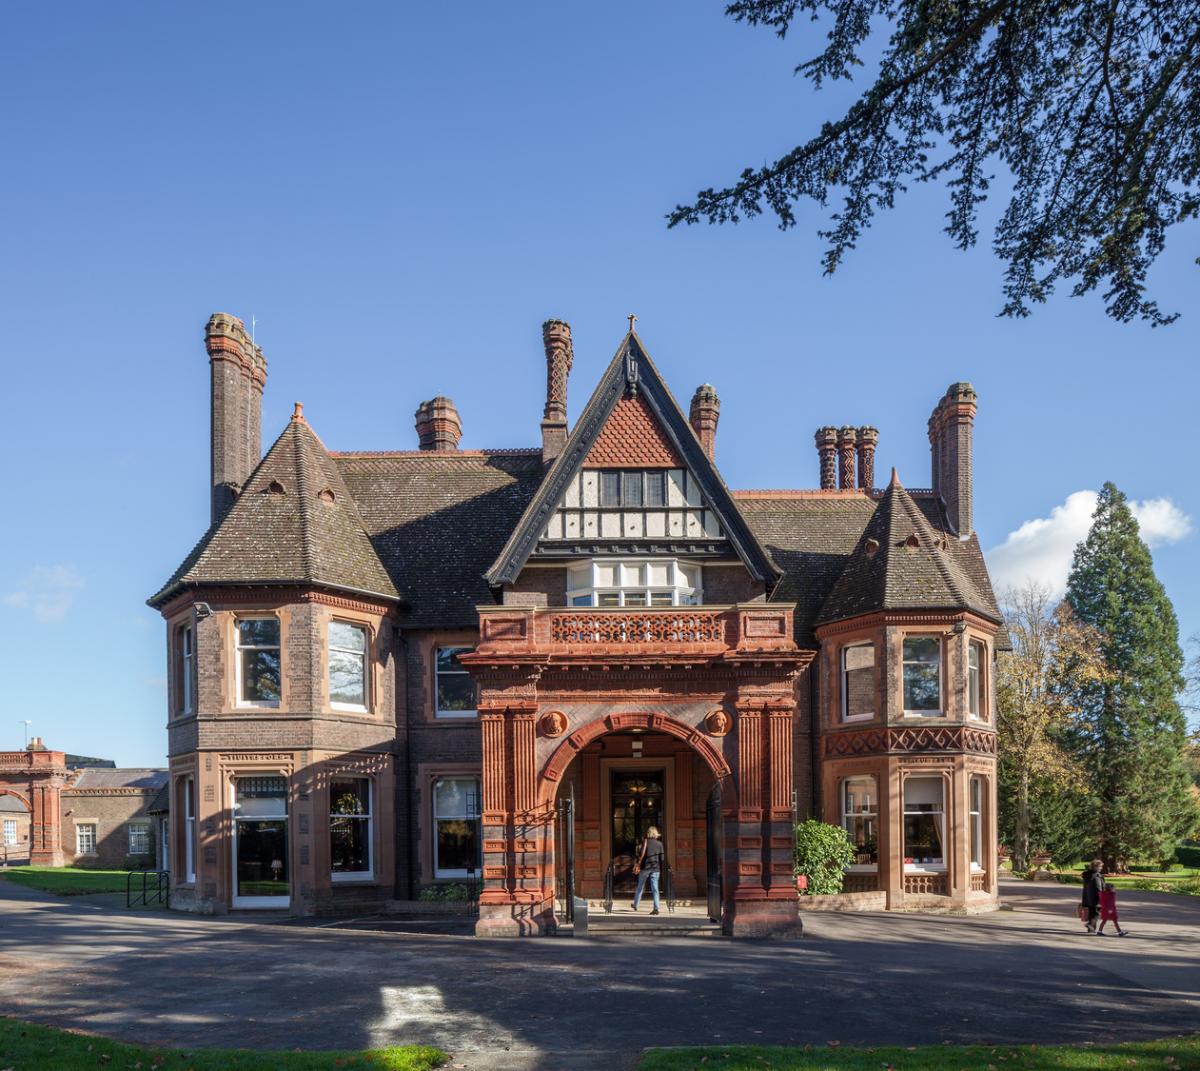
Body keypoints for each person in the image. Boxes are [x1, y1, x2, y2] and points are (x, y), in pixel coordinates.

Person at [631, 826, 664, 915]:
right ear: (656, 833)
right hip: (655, 868)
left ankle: (635, 904)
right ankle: (656, 908)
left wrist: (637, 863)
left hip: (645, 868)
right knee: (655, 889)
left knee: (640, 887)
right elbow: (662, 858)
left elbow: (641, 855)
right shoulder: (660, 844)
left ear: (648, 833)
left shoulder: (645, 842)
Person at [1080, 858, 1105, 934]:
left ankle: (1091, 929)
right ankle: (1090, 925)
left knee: (1092, 913)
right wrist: (1102, 897)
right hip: (1096, 898)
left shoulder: (1087, 875)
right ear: (1095, 867)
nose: (1101, 868)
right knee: (1097, 913)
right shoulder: (1096, 876)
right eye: (1100, 866)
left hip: (1088, 898)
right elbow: (1099, 888)